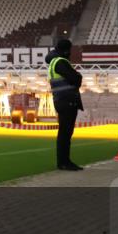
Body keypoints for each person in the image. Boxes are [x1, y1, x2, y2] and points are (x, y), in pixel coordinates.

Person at [45, 39, 84, 171]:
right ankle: (64, 162)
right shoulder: (61, 62)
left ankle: (63, 161)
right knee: (65, 133)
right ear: (67, 50)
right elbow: (76, 79)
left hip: (60, 100)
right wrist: (78, 76)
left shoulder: (53, 62)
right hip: (67, 101)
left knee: (64, 133)